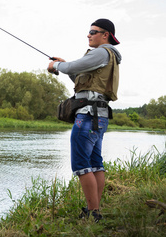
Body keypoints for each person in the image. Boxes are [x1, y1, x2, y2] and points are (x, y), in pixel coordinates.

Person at [47, 18, 122, 222]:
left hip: (88, 116)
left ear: (105, 35)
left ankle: (92, 213)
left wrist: (58, 65)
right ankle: (95, 210)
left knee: (81, 164)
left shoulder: (101, 52)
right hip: (99, 115)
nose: (88, 35)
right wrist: (64, 66)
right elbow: (82, 79)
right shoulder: (108, 57)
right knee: (95, 163)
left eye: (93, 31)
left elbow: (75, 65)